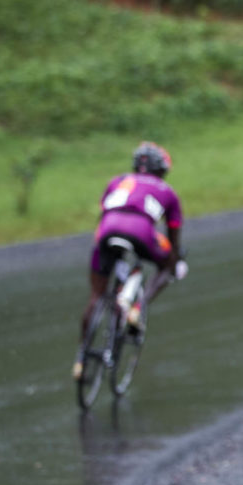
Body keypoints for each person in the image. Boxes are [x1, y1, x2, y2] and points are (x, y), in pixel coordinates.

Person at [76, 142, 183, 369]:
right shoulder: (167, 192)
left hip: (107, 231)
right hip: (140, 230)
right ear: (161, 171)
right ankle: (137, 308)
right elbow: (173, 237)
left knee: (96, 295)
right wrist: (175, 260)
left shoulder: (116, 181)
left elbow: (103, 216)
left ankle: (80, 359)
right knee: (167, 266)